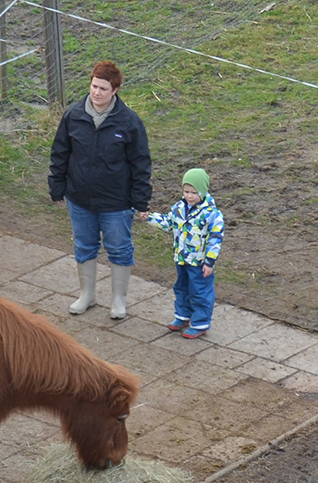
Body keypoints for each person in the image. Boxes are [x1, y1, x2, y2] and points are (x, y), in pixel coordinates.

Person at [49, 60, 151, 320]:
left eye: (103, 88)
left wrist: (140, 200)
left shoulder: (130, 122)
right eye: (94, 86)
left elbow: (141, 163)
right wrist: (57, 186)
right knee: (84, 245)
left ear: (115, 90)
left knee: (119, 249)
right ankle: (87, 295)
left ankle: (118, 300)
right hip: (79, 198)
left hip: (117, 202)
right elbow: (60, 152)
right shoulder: (73, 115)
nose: (96, 92)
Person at [141, 168, 225, 339]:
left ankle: (200, 323)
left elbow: (215, 240)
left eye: (194, 193)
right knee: (181, 288)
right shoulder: (179, 208)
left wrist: (209, 262)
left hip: (200, 263)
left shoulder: (212, 215)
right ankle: (183, 315)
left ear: (202, 192)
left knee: (200, 292)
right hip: (181, 259)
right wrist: (150, 218)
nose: (189, 196)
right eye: (186, 192)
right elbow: (168, 223)